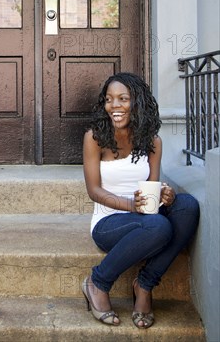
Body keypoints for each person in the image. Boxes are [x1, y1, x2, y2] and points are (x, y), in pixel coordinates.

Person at [82, 72, 200, 328]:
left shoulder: (152, 141)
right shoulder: (95, 138)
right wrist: (129, 205)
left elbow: (152, 189)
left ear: (138, 102)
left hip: (145, 218)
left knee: (187, 206)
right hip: (109, 222)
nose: (114, 106)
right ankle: (98, 282)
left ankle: (144, 284)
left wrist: (165, 197)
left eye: (123, 99)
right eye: (109, 99)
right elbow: (94, 190)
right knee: (158, 226)